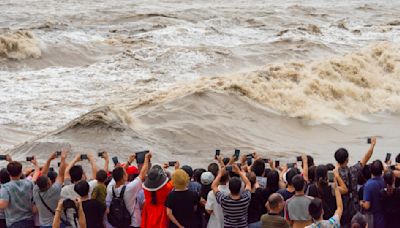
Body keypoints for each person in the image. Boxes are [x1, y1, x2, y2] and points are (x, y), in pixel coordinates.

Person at [335, 137, 376, 226]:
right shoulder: (354, 170)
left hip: (342, 208)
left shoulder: (335, 174)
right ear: (347, 159)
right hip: (354, 206)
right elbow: (366, 158)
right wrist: (372, 145)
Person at [106, 152, 151, 228]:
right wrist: (146, 159)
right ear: (124, 177)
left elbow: (119, 173)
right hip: (132, 223)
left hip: (116, 221)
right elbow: (142, 174)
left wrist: (129, 162)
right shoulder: (129, 189)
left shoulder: (110, 187)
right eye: (125, 173)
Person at [0, 156, 39, 228]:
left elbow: (3, 205)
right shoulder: (28, 183)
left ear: (8, 173)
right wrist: (36, 164)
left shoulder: (5, 187)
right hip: (29, 221)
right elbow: (36, 175)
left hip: (14, 222)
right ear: (21, 172)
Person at [33, 150, 67, 228]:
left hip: (44, 225)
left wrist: (49, 159)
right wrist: (63, 159)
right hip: (58, 224)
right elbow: (61, 174)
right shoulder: (54, 190)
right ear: (49, 183)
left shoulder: (35, 191)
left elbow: (43, 174)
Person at [212, 163, 251, 228]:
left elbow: (213, 186)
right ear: (240, 187)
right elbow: (248, 183)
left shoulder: (224, 200)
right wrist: (239, 172)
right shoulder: (246, 198)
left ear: (229, 188)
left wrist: (220, 174)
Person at [360, 160, 385, 228]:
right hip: (384, 216)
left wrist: (361, 203)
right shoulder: (385, 181)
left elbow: (367, 205)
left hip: (373, 218)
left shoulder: (368, 185)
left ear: (371, 170)